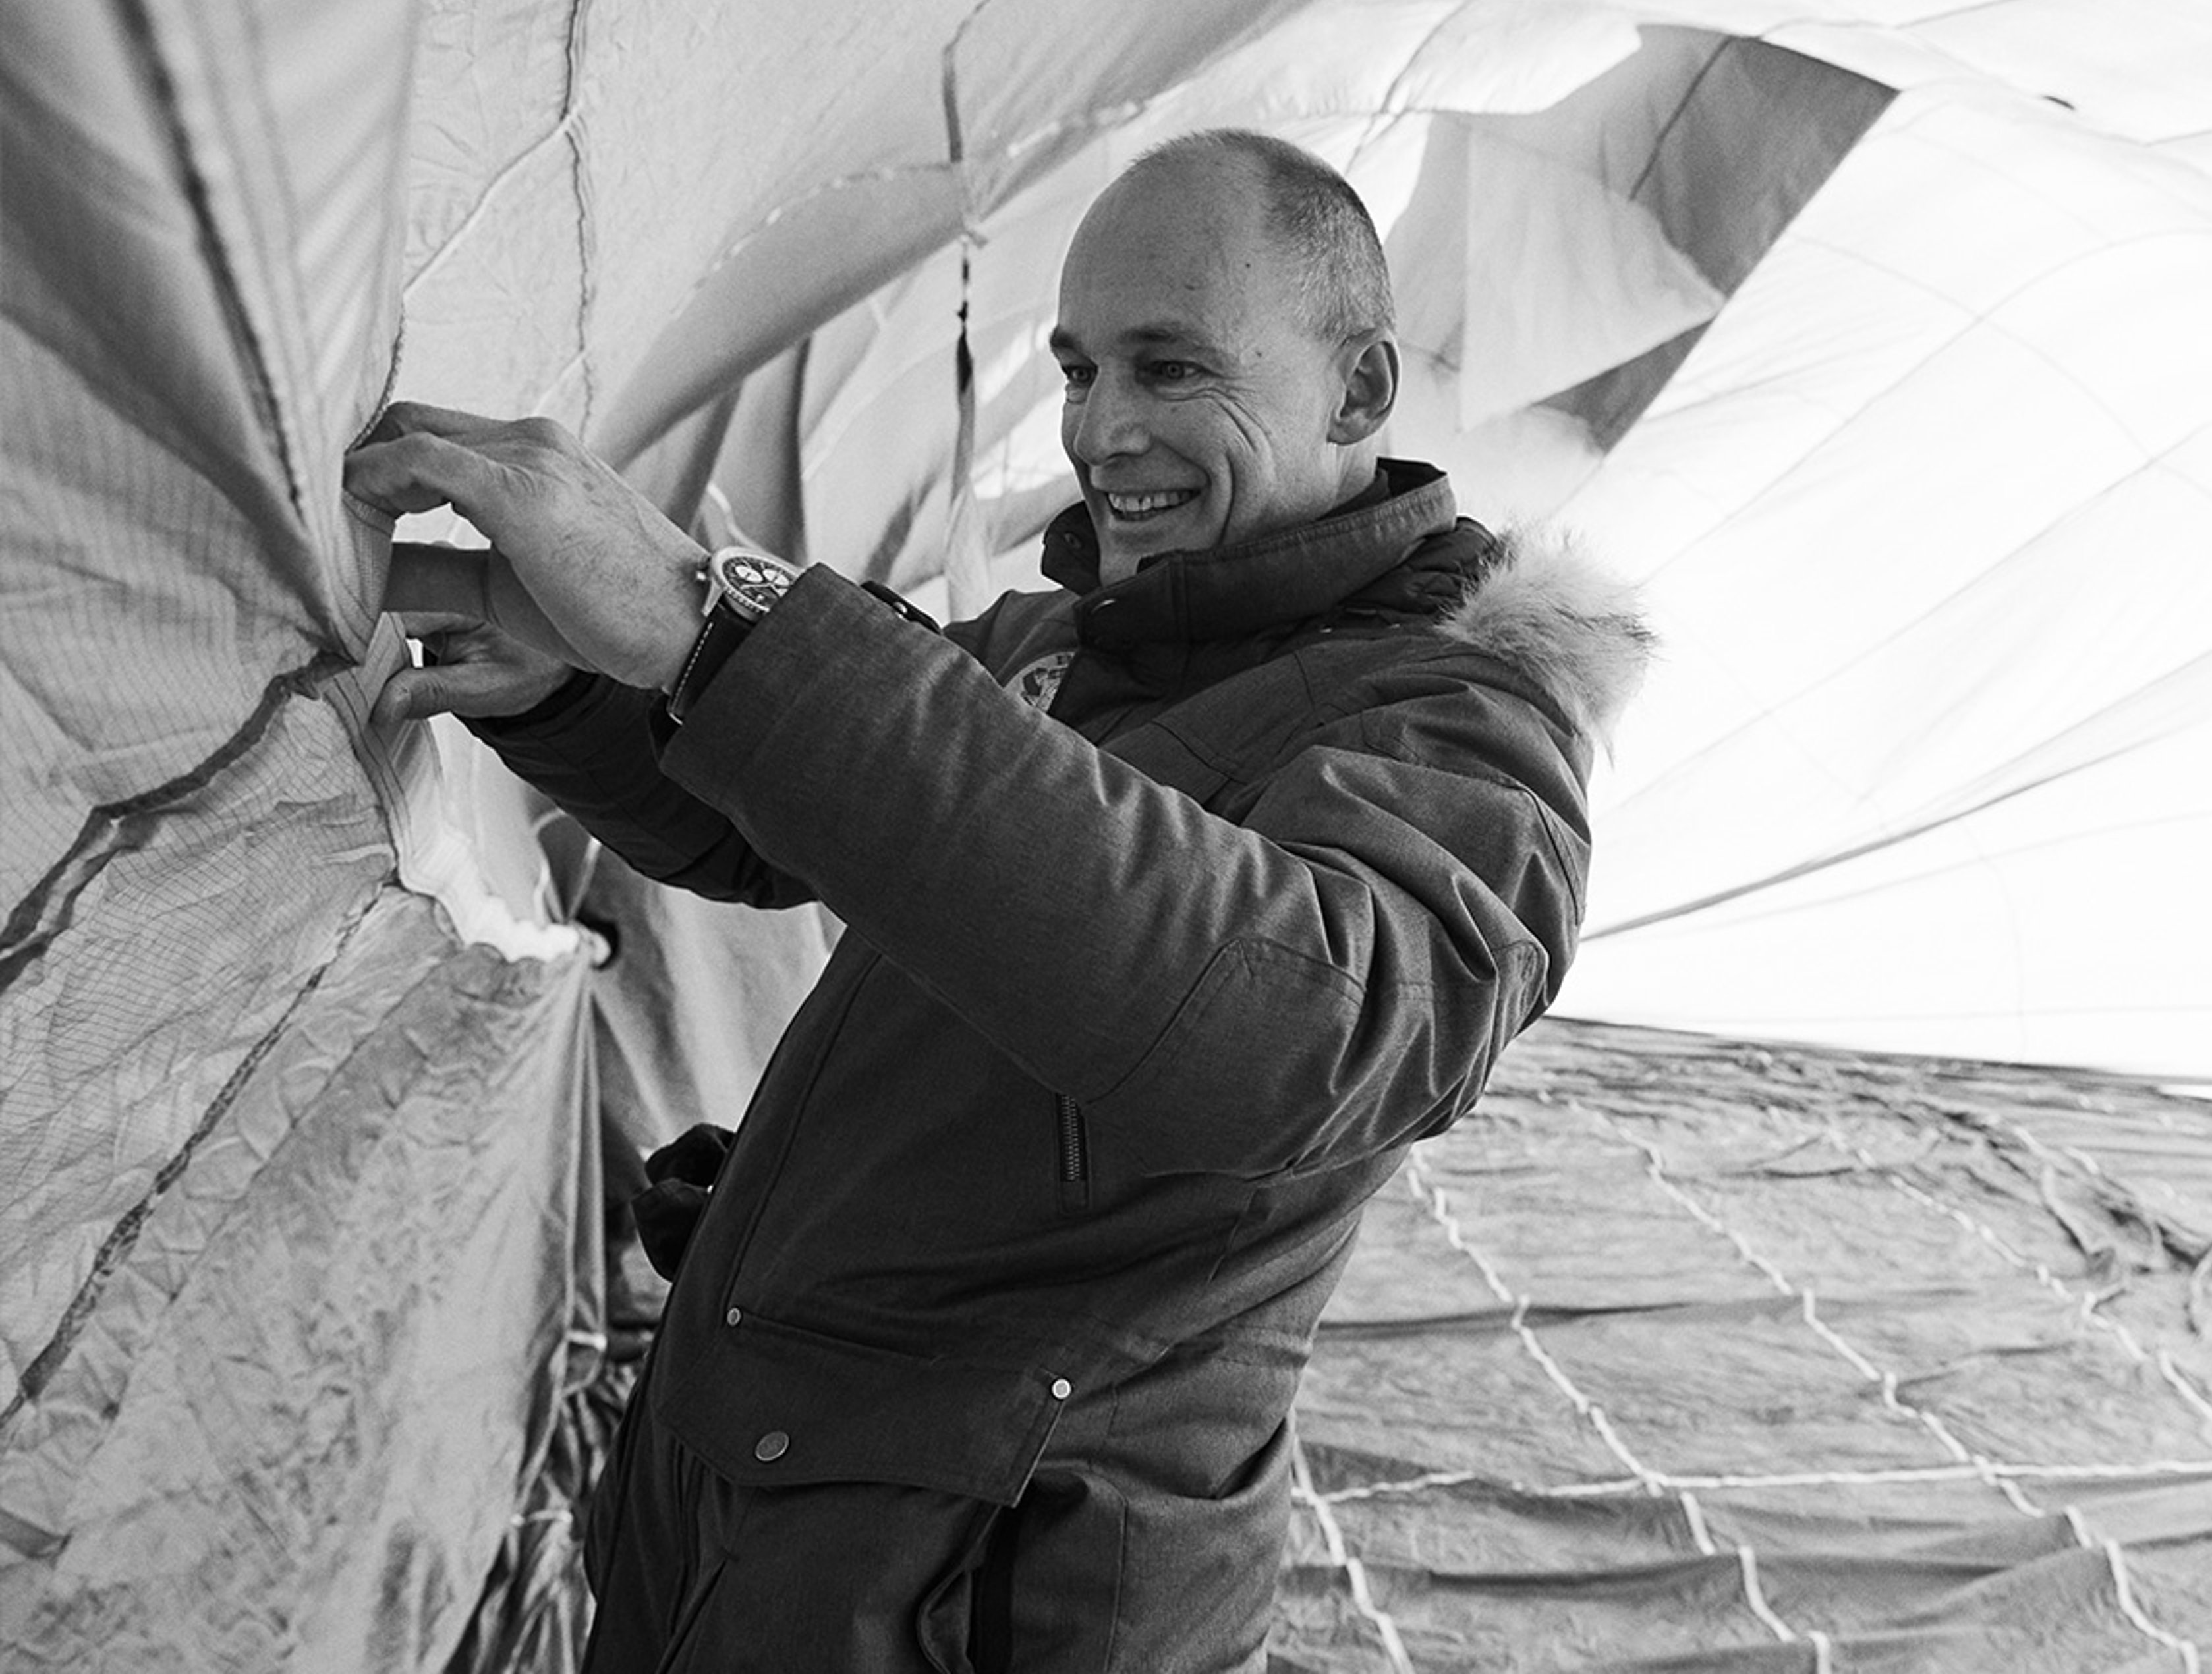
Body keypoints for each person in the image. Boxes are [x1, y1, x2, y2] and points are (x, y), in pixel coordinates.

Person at [344, 129, 1650, 1671]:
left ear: (1356, 391)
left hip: (976, 1595)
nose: (1104, 428)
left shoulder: (1460, 732)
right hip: (760, 1494)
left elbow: (1290, 1029)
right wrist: (578, 685)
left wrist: (713, 623)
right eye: (1079, 368)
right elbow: (803, 816)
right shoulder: (1077, 641)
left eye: (1168, 368)